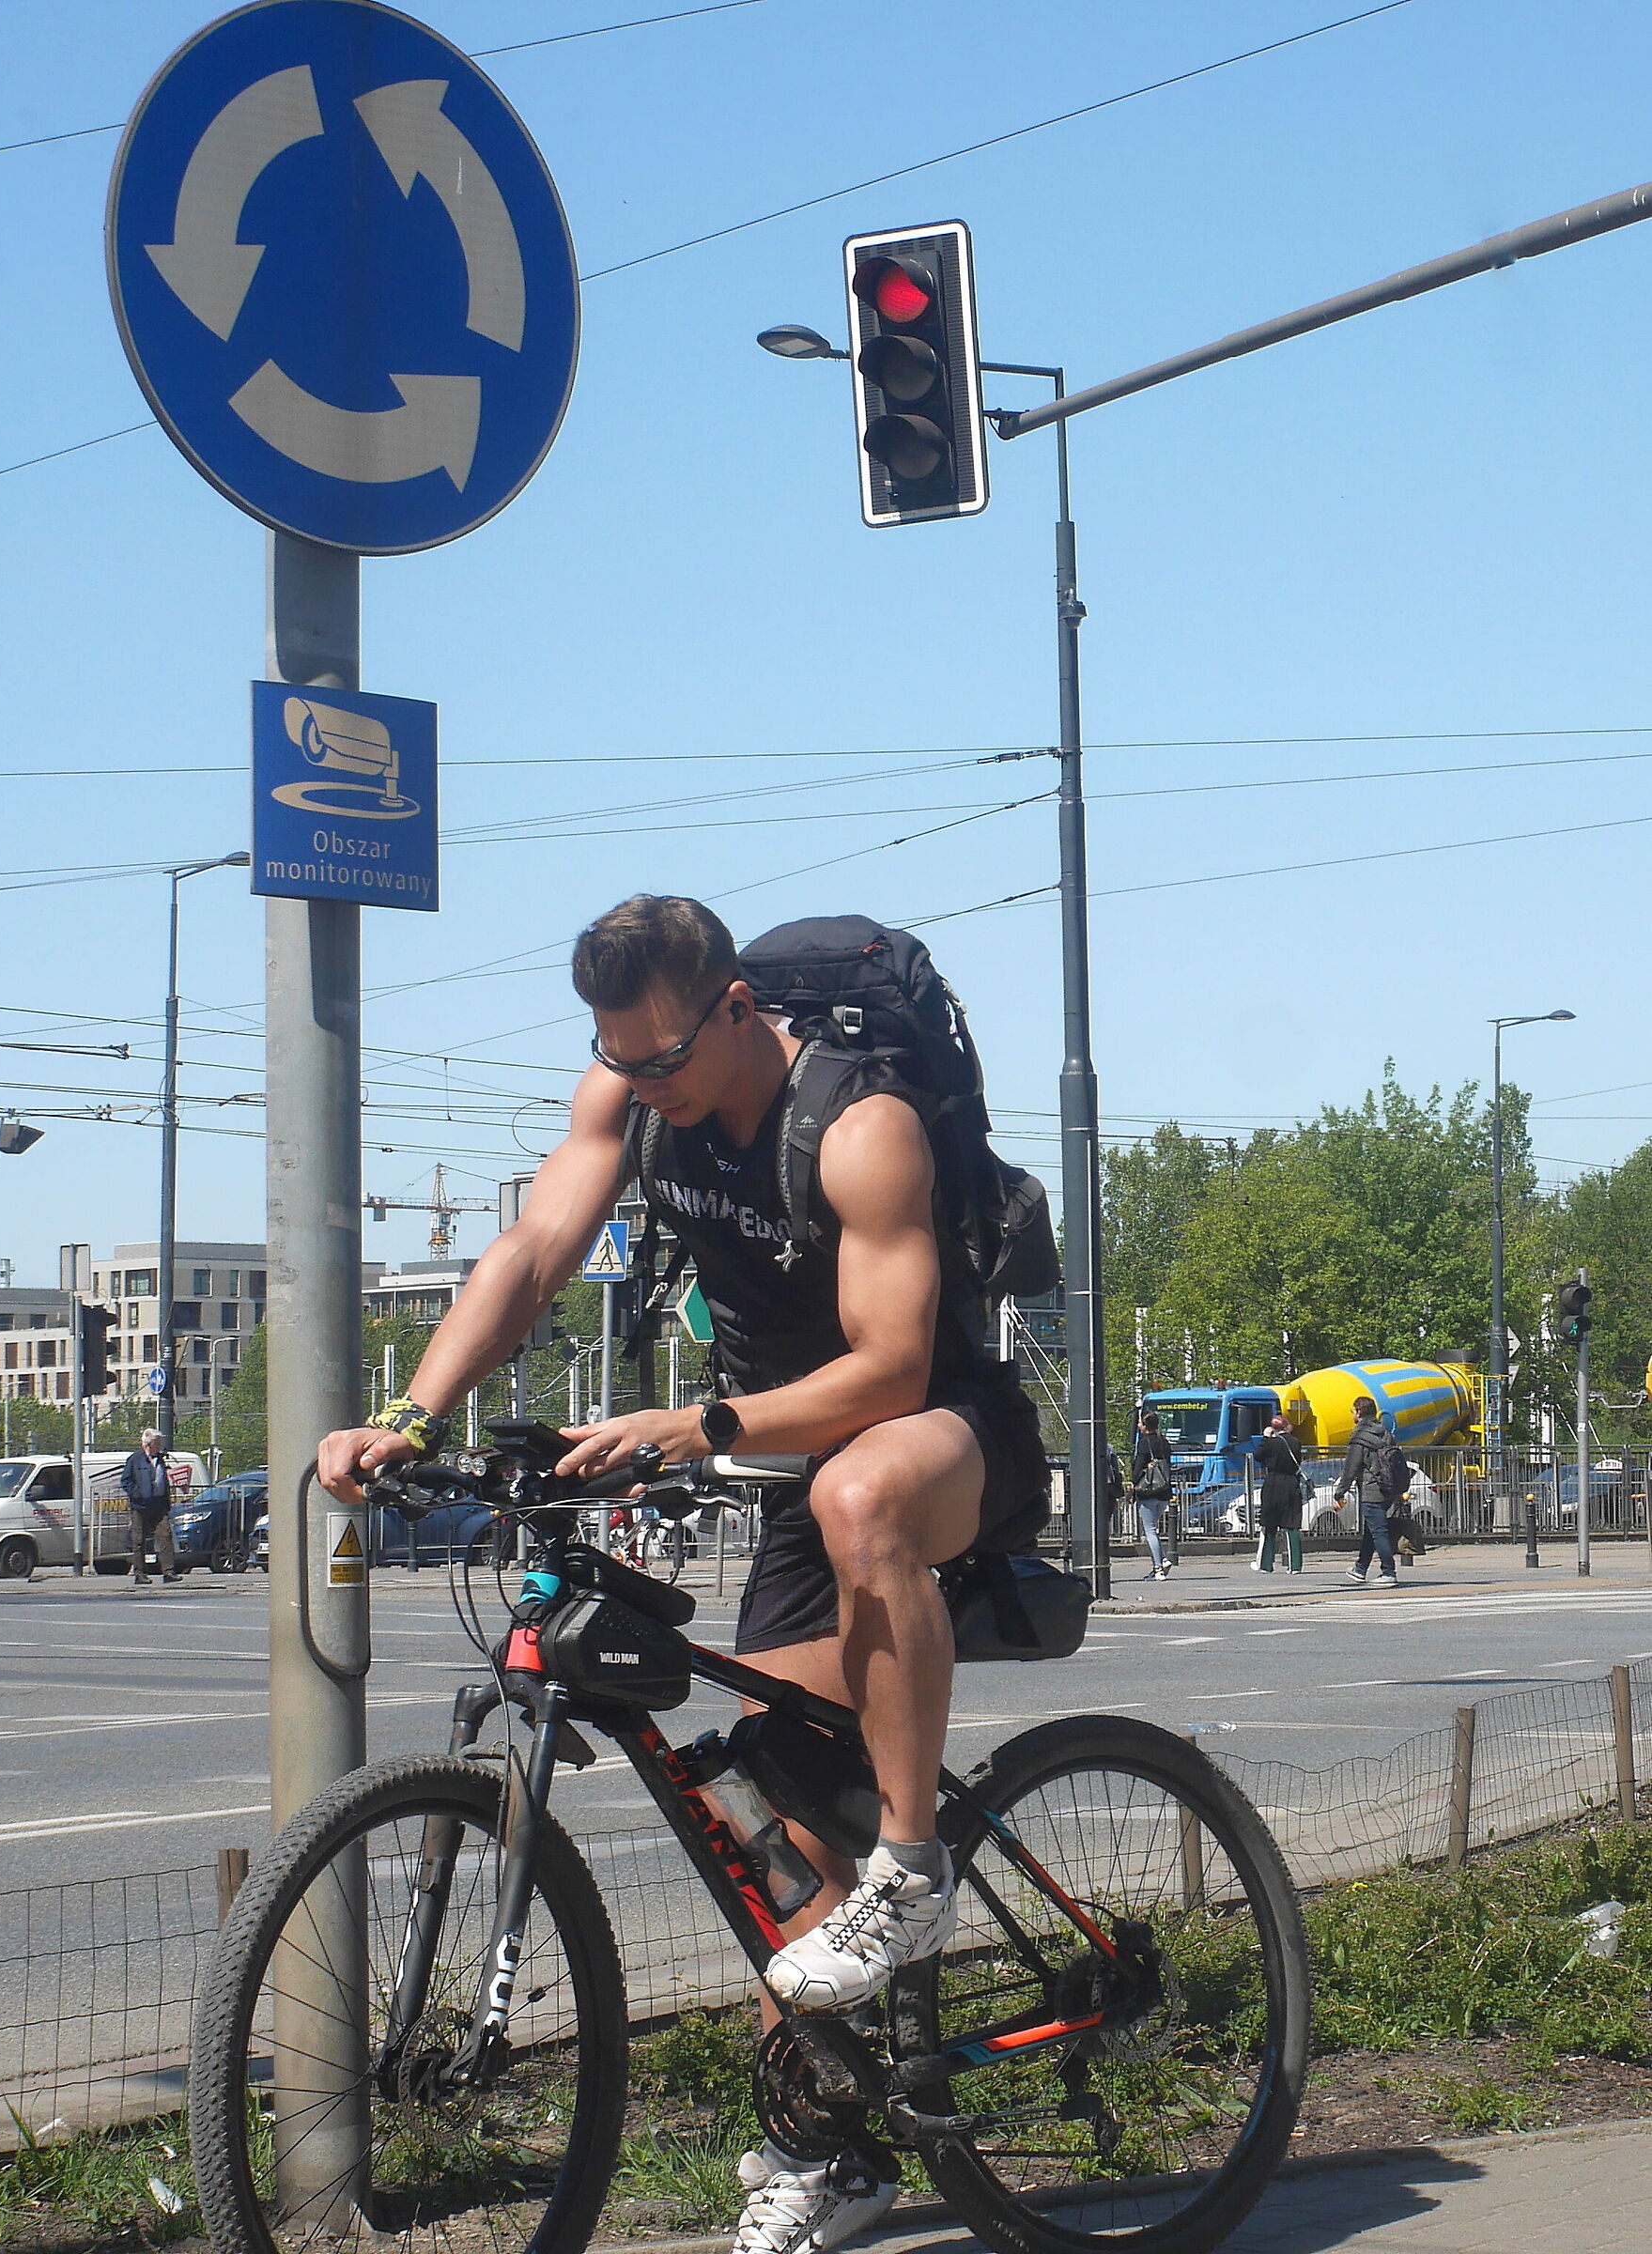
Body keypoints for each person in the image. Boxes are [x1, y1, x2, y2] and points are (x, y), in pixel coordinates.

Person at [317, 895, 1048, 2254]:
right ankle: (824, 2146)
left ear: (728, 1008)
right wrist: (411, 1417)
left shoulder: (858, 1119)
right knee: (772, 1825)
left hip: (942, 1434)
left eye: (657, 1057)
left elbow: (888, 1370)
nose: (634, 1080)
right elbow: (535, 1253)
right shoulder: (631, 1087)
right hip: (789, 1468)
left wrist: (696, 1426)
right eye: (614, 1057)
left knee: (860, 1484)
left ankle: (913, 1863)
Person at [1332, 1396, 1400, 1590]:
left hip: (1371, 1490)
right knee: (1372, 1530)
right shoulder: (1385, 1433)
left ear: (1359, 1412)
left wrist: (1340, 1493)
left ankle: (1389, 1572)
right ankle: (1360, 1568)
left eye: (1353, 1411)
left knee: (1378, 1532)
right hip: (1388, 1487)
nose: (1353, 1414)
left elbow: (1351, 1468)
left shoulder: (1359, 1437)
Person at [119, 1429, 181, 1585]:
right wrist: (137, 1494)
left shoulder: (161, 1459)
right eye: (157, 1443)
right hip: (140, 1506)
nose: (160, 1446)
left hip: (159, 1505)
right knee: (138, 1540)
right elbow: (126, 1481)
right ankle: (139, 1573)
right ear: (148, 1444)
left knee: (165, 1536)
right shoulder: (135, 1459)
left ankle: (168, 1572)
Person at [1250, 1416, 1305, 1573]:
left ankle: (1266, 1564)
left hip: (1273, 1483)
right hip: (1291, 1482)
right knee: (1292, 1524)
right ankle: (1295, 1566)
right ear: (1286, 1426)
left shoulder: (1270, 1443)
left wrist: (1266, 1438)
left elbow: (1258, 1456)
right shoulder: (1295, 1442)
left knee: (1269, 1524)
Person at [1130, 1411, 1174, 1581]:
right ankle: (1162, 1560)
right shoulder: (1164, 1442)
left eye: (1140, 1423)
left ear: (1145, 1426)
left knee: (1149, 1530)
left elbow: (1137, 1468)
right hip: (1163, 1490)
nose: (1138, 1426)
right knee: (1154, 1528)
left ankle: (1158, 1568)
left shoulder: (1144, 1443)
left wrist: (1135, 1480)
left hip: (1148, 1490)